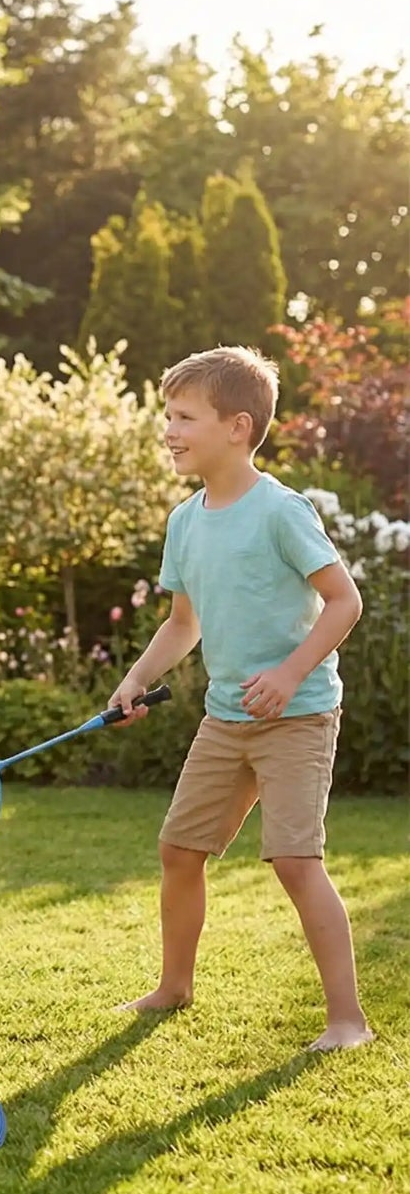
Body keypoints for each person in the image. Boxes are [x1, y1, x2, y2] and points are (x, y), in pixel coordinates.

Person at [108, 344, 372, 1052]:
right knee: (177, 848)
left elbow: (343, 602)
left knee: (293, 859)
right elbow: (182, 623)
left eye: (184, 415)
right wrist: (134, 679)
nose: (168, 428)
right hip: (226, 718)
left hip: (298, 714)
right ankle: (173, 985)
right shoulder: (184, 521)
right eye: (167, 414)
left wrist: (286, 674)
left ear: (236, 425)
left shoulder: (279, 511)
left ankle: (347, 1019)